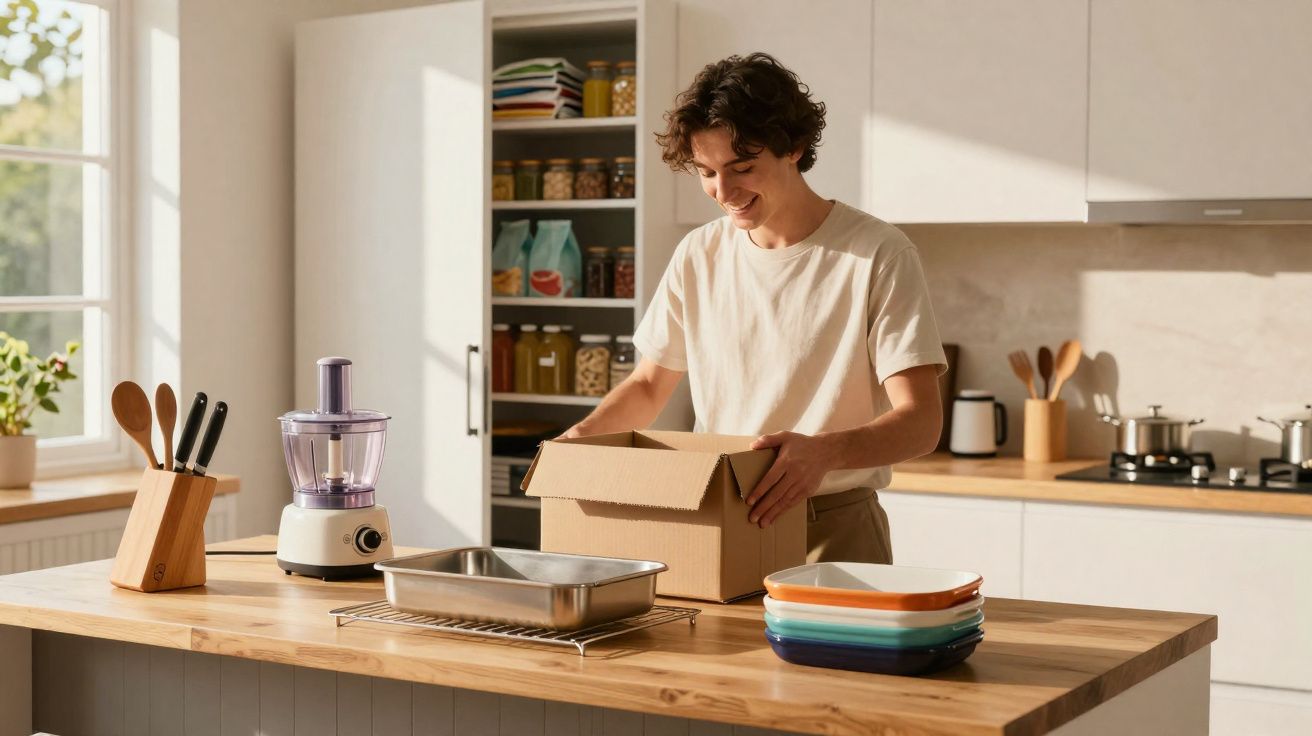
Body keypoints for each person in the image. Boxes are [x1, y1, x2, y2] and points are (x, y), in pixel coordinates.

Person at [561, 52, 946, 564]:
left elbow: (920, 422)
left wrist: (824, 451)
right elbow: (650, 385)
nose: (724, 192)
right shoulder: (699, 254)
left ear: (795, 147)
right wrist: (581, 438)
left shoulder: (877, 254)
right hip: (715, 519)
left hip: (831, 525)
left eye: (742, 168)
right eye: (706, 172)